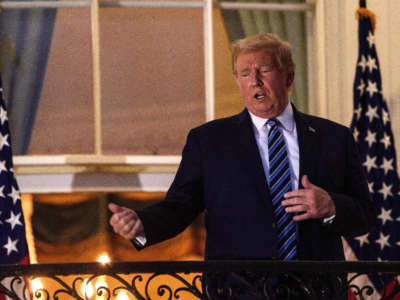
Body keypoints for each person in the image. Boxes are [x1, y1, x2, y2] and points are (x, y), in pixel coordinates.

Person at [108, 33, 377, 299]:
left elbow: (365, 215)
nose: (254, 81)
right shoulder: (209, 141)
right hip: (238, 291)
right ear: (237, 80)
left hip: (317, 291)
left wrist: (330, 206)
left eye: (264, 70)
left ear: (289, 76)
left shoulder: (334, 138)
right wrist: (142, 224)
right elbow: (180, 206)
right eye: (245, 73)